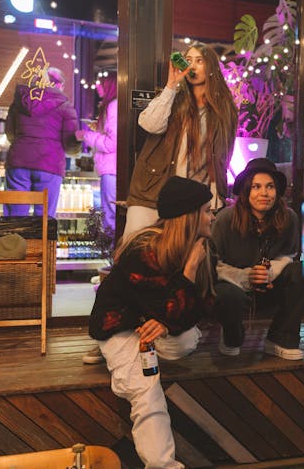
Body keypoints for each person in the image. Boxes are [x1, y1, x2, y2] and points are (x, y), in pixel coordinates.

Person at [88, 176, 215, 469]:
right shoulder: (145, 251)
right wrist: (188, 275)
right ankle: (163, 465)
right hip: (120, 326)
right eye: (207, 210)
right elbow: (167, 308)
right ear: (189, 216)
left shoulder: (198, 246)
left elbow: (203, 307)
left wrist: (166, 319)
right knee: (146, 389)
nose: (212, 216)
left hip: (154, 326)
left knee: (184, 340)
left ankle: (133, 366)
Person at [125, 42, 237, 237]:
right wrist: (171, 86)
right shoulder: (173, 97)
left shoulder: (224, 110)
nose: (192, 66)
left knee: (181, 257)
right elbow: (150, 124)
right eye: (189, 60)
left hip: (193, 198)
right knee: (136, 248)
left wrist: (216, 195)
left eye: (199, 61)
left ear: (210, 67)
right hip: (154, 191)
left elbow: (223, 156)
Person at [210, 158, 304, 360]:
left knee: (301, 272)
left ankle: (281, 338)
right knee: (227, 295)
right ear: (246, 191)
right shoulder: (225, 219)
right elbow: (211, 264)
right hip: (233, 289)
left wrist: (269, 272)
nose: (264, 193)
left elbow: (290, 255)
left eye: (270, 187)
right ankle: (232, 336)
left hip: (269, 287)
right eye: (256, 186)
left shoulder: (289, 218)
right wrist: (246, 276)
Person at [4, 66, 78, 216]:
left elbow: (10, 133)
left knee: (15, 217)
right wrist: (77, 145)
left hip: (19, 161)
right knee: (44, 219)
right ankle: (40, 240)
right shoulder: (65, 106)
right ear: (57, 85)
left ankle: (16, 240)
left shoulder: (19, 102)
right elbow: (70, 144)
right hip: (50, 164)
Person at [76, 75, 117, 233]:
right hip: (111, 169)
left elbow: (111, 143)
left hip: (111, 170)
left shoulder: (113, 106)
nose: (98, 88)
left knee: (110, 216)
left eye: (101, 84)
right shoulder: (114, 105)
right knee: (110, 214)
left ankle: (111, 253)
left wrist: (86, 135)